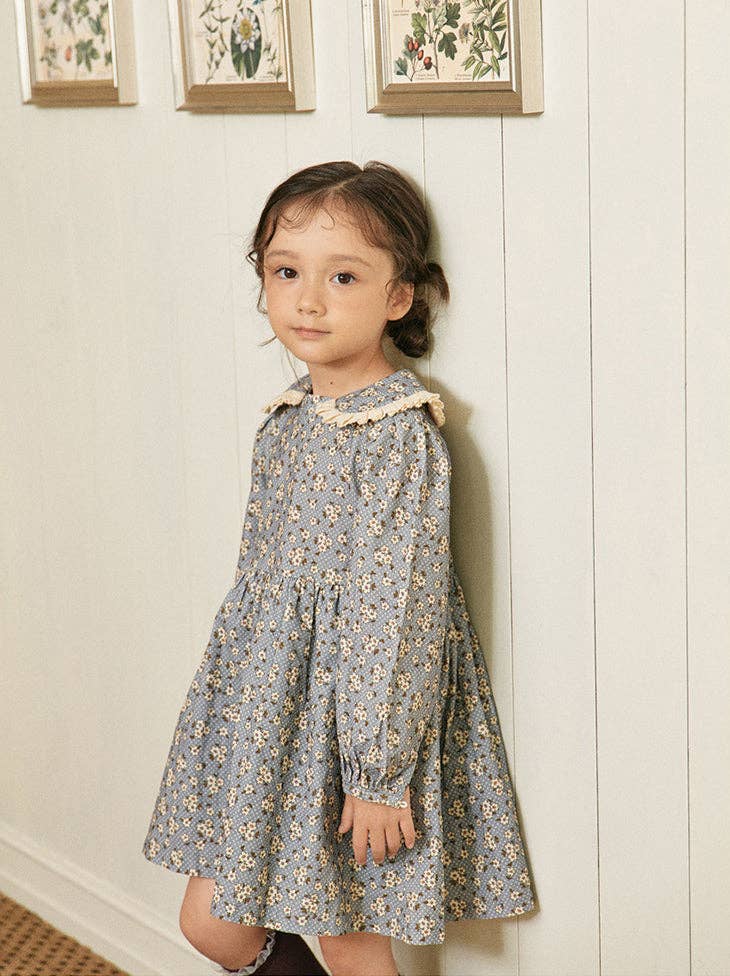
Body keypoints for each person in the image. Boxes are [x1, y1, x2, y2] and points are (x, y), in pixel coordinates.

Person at [141, 160, 537, 976]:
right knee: (216, 924)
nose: (308, 300)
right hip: (267, 727)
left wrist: (378, 774)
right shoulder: (290, 421)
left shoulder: (397, 438)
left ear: (400, 297)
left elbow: (397, 614)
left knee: (353, 947)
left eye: (343, 276)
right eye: (286, 272)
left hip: (354, 738)